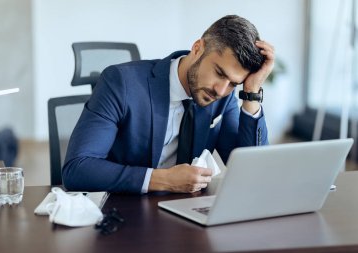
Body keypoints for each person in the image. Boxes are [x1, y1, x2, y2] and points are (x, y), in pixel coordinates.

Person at [62, 15, 274, 194]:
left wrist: (251, 92)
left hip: (183, 215)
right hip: (123, 212)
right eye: (219, 73)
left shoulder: (223, 97)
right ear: (198, 48)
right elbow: (77, 169)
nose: (221, 90)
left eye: (233, 84)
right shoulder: (121, 82)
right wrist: (162, 179)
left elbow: (252, 174)